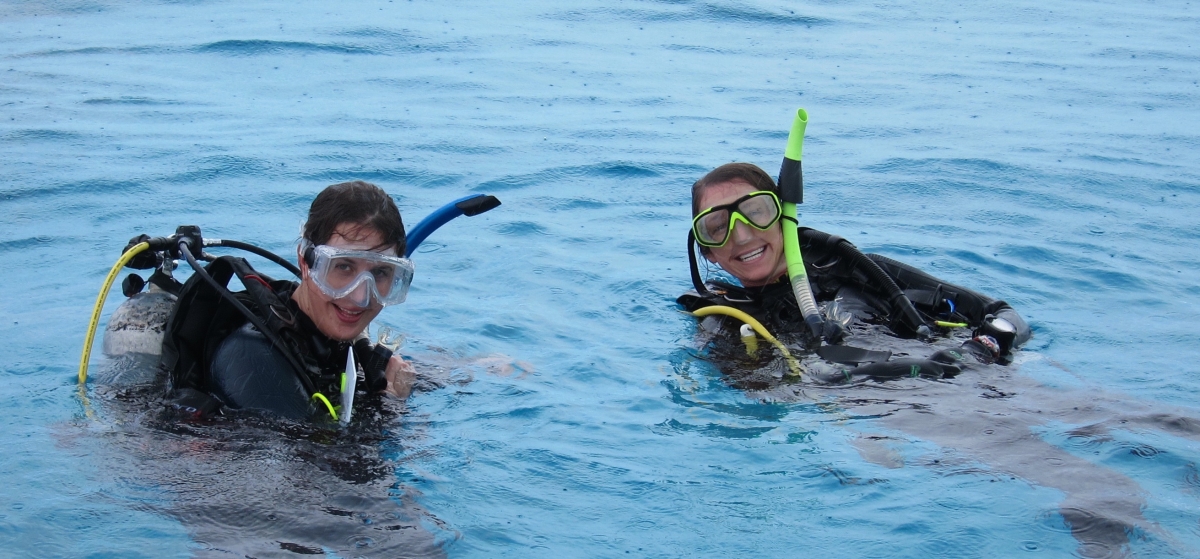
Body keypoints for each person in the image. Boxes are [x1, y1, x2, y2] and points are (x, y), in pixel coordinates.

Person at [677, 163, 1032, 384]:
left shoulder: (859, 268)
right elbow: (777, 391)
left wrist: (983, 347)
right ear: (708, 252)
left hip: (981, 373)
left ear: (784, 215)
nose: (742, 235)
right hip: (895, 406)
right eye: (717, 227)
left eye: (756, 212)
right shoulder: (725, 321)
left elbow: (1003, 314)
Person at [161, 181, 417, 420]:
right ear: (305, 262)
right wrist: (390, 405)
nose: (360, 298)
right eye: (343, 267)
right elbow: (316, 452)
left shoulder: (326, 340)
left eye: (380, 272)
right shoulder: (256, 360)